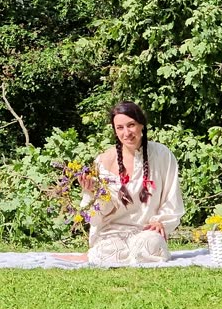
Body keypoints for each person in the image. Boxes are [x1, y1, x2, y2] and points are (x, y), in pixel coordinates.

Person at [77, 101, 184, 264]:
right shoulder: (103, 161)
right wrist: (90, 192)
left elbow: (172, 198)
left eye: (131, 125)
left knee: (150, 244)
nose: (126, 133)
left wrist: (160, 221)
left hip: (147, 232)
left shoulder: (162, 155)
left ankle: (136, 252)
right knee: (108, 251)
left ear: (141, 125)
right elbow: (97, 216)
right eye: (120, 127)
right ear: (114, 130)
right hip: (113, 233)